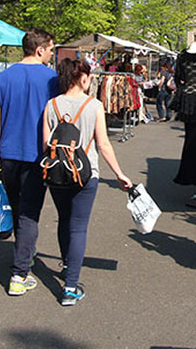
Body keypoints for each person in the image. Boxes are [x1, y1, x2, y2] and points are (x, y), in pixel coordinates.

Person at [43, 58, 132, 305]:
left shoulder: (51, 105)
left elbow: (45, 144)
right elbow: (103, 144)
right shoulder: (93, 106)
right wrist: (119, 173)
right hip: (86, 173)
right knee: (78, 226)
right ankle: (70, 287)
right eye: (89, 75)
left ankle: (66, 266)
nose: (91, 79)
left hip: (57, 173)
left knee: (64, 220)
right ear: (81, 77)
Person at [0, 29, 59, 296]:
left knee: (16, 207)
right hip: (38, 156)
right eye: (50, 49)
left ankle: (24, 252)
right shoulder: (52, 79)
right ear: (40, 50)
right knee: (29, 213)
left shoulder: (3, 78)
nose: (51, 54)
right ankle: (19, 273)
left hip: (9, 154)